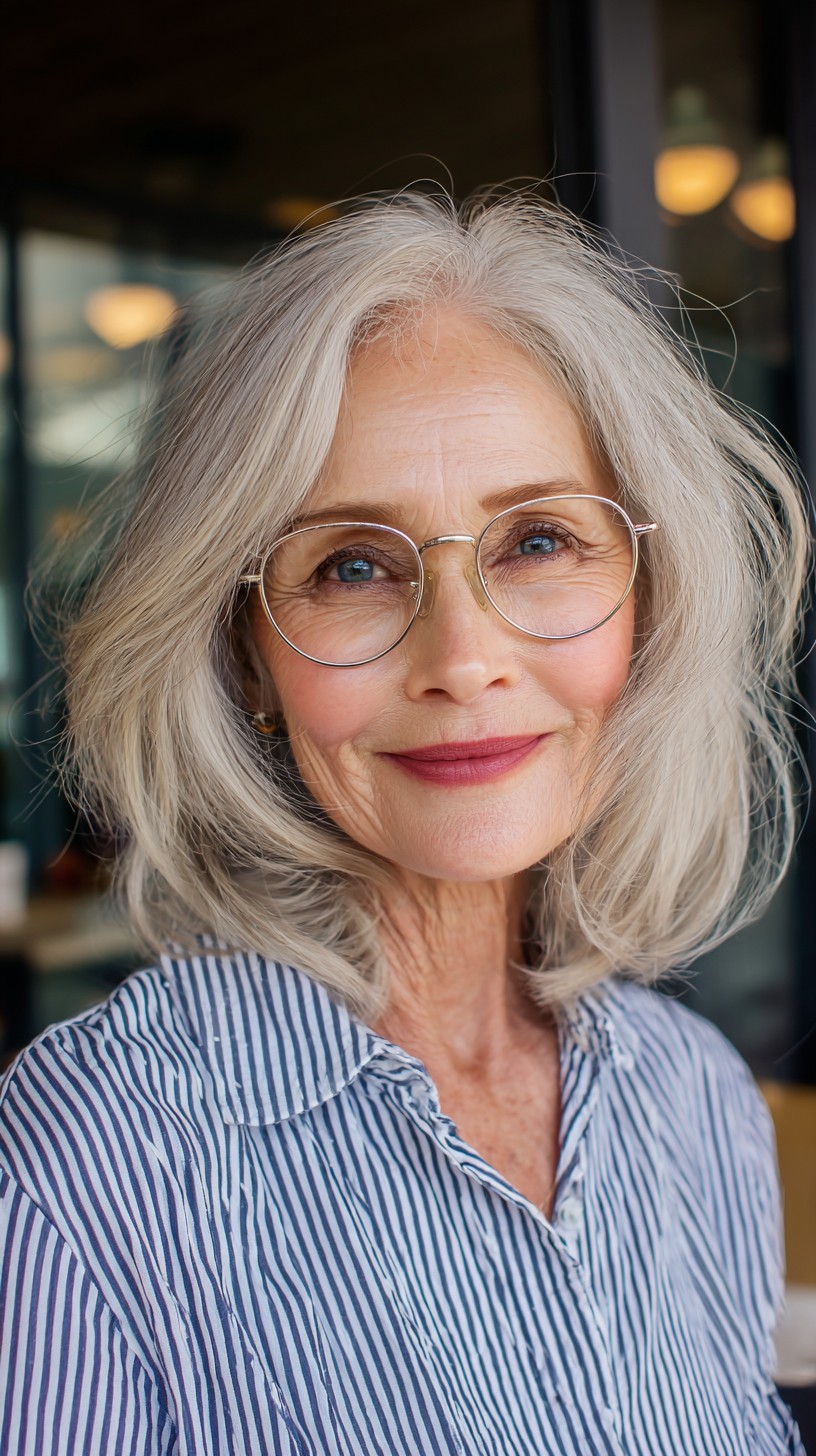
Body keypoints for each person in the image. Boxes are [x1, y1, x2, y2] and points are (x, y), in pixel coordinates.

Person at [0, 190, 810, 1455]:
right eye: (354, 566)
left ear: (647, 603)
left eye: (539, 539)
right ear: (248, 656)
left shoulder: (692, 1095)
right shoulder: (94, 1162)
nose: (465, 658)